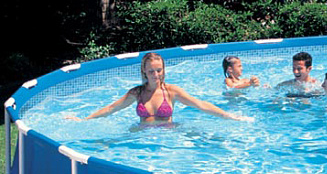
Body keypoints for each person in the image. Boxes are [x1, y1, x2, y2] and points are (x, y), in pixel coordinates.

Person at [72, 52, 251, 123]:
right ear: (144, 71)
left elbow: (201, 105)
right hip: (141, 139)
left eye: (159, 70)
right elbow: (111, 108)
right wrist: (83, 120)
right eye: (151, 71)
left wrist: (230, 116)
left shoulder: (171, 92)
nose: (156, 75)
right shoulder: (137, 93)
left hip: (168, 138)